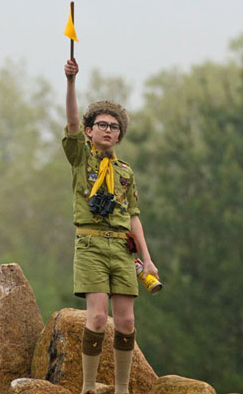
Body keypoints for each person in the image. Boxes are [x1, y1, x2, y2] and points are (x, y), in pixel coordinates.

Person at [62, 58, 159, 394]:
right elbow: (72, 120)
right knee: (98, 318)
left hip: (121, 247)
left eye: (114, 127)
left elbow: (134, 216)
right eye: (101, 125)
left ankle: (121, 389)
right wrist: (71, 82)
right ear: (90, 131)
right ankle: (88, 387)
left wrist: (146, 259)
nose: (107, 130)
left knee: (127, 322)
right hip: (90, 245)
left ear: (119, 135)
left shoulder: (125, 172)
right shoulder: (81, 157)